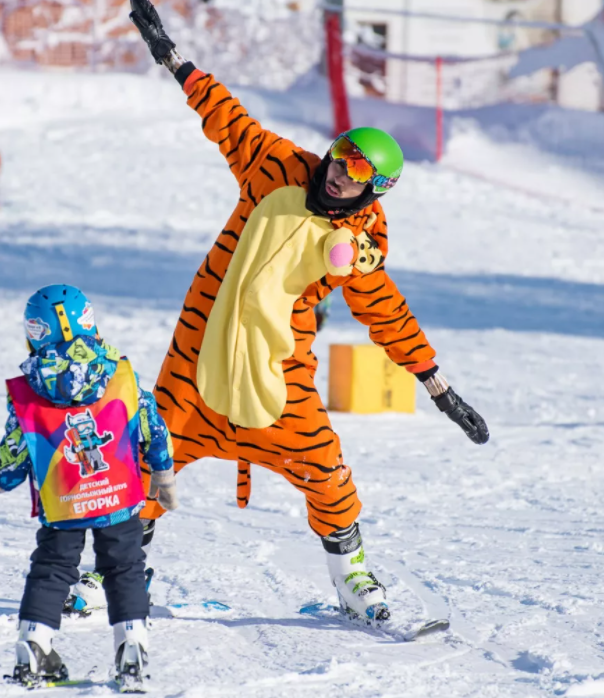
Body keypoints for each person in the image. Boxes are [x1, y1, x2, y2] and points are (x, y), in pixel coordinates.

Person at [126, 0, 489, 624]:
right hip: (199, 359)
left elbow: (386, 313)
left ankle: (351, 576)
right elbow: (227, 119)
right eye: (340, 157)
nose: (338, 176)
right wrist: (171, 56)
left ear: (373, 190)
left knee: (324, 468)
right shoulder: (277, 168)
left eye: (356, 174)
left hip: (279, 375)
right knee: (143, 459)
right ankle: (116, 568)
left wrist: (437, 385)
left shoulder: (359, 244)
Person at [0, 284, 177, 691]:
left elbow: (17, 449)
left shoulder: (29, 389)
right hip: (116, 495)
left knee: (51, 568)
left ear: (34, 333)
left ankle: (34, 642)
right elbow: (151, 423)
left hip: (62, 501)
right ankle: (131, 646)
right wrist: (162, 472)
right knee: (123, 568)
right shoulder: (118, 371)